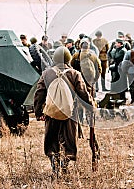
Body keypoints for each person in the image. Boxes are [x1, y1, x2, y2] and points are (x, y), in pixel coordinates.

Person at [33, 46, 95, 174]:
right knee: (69, 141)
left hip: (51, 113)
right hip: (70, 114)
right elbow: (83, 94)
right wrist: (92, 107)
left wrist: (39, 113)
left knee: (51, 140)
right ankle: (65, 165)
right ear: (69, 59)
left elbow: (39, 94)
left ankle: (55, 167)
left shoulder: (47, 73)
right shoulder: (75, 74)